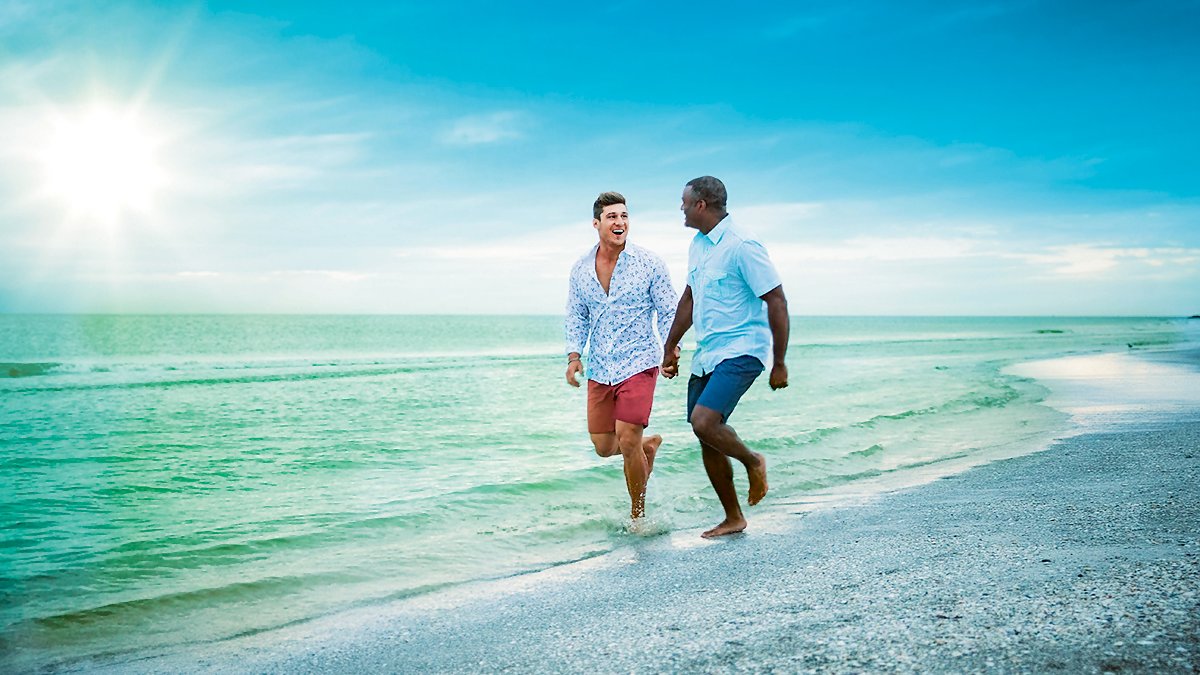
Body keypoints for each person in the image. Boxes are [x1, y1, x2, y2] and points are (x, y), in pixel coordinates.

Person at [661, 176, 790, 538]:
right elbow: (689, 297)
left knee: (704, 421)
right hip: (708, 354)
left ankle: (754, 461)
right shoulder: (698, 245)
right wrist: (670, 345)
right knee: (706, 435)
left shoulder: (742, 246)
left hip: (742, 350)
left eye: (684, 202)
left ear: (701, 204)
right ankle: (734, 517)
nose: (681, 208)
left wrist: (779, 362)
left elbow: (776, 300)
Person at [565, 191, 678, 521]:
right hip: (600, 367)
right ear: (596, 223)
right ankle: (648, 447)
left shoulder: (649, 263)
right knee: (603, 446)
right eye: (612, 217)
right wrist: (574, 355)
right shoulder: (581, 270)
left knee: (628, 439)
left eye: (624, 216)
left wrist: (672, 350)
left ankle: (637, 516)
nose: (620, 222)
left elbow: (668, 309)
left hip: (640, 362)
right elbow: (576, 314)